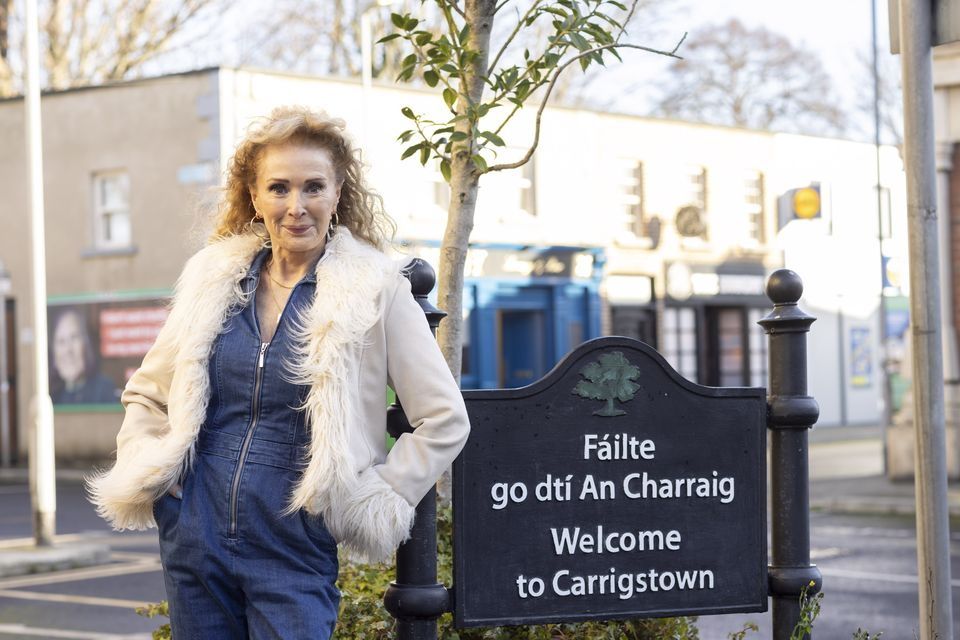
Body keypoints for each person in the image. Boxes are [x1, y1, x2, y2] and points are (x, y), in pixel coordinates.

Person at [86, 106, 471, 639]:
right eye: (279, 188)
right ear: (253, 194)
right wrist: (153, 468)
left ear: (338, 193)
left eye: (314, 187)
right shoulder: (212, 279)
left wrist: (373, 497)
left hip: (295, 537)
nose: (297, 207)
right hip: (194, 532)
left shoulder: (376, 289)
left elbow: (445, 418)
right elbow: (148, 394)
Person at [50, 308, 118, 404]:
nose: (68, 350)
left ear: (86, 343)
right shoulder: (53, 396)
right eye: (61, 341)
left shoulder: (104, 389)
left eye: (74, 338)